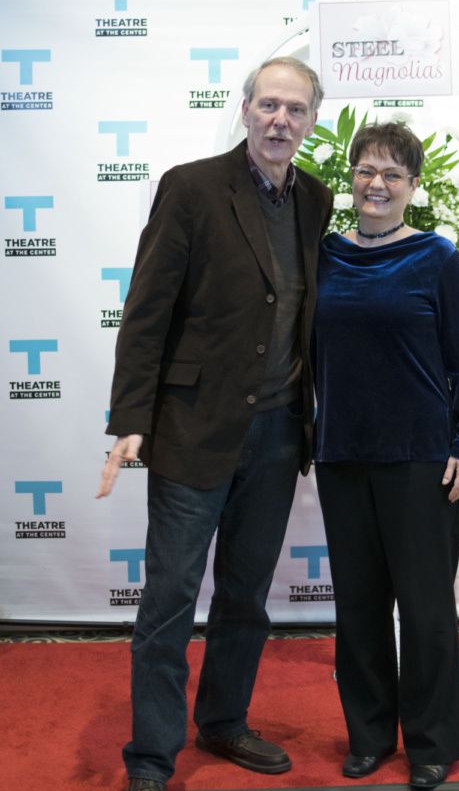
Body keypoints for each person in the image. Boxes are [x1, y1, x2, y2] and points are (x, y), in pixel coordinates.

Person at [96, 56, 333, 791]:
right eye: (268, 105)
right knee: (168, 601)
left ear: (311, 121)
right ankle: (152, 756)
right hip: (192, 432)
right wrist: (132, 416)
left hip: (277, 434)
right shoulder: (191, 187)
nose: (279, 120)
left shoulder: (316, 201)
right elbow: (147, 311)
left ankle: (224, 720)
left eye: (295, 110)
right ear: (244, 108)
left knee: (244, 596)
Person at [313, 122, 459, 790]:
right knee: (357, 608)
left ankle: (433, 742)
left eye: (391, 174)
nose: (376, 184)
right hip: (342, 454)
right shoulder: (325, 254)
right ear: (350, 177)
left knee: (425, 609)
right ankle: (369, 734)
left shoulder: (438, 259)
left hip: (421, 458)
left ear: (413, 186)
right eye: (365, 170)